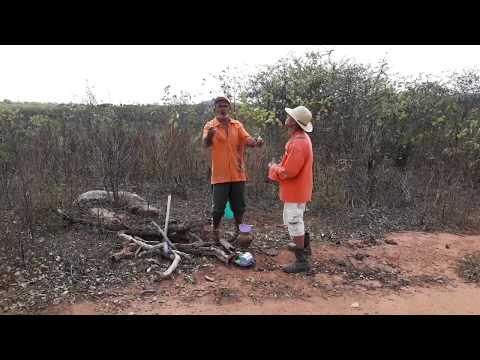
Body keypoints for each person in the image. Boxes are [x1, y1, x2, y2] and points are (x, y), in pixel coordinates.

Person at [203, 96, 263, 242]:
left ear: (229, 108)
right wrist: (210, 136)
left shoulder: (237, 125)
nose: (222, 108)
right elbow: (205, 144)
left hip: (238, 173)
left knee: (239, 206)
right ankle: (215, 230)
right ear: (215, 108)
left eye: (225, 105)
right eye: (219, 105)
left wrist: (256, 142)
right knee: (218, 207)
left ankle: (239, 231)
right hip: (220, 174)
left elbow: (247, 139)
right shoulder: (210, 126)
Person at [268, 106, 313, 273]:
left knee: (294, 221)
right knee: (296, 219)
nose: (287, 117)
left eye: (290, 116)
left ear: (294, 122)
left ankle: (302, 261)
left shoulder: (298, 143)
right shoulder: (301, 139)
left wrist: (273, 169)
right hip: (298, 189)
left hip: (295, 190)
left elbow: (289, 172)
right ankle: (305, 249)